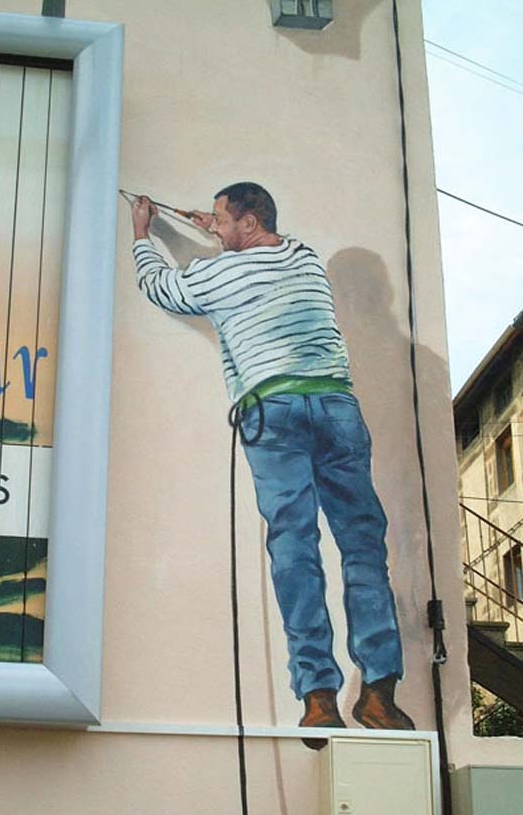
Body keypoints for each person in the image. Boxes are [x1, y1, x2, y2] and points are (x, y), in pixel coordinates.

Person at [130, 182, 414, 742]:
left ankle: (318, 698)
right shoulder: (304, 257)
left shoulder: (219, 275)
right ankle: (379, 693)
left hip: (273, 411)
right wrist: (213, 227)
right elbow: (245, 246)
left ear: (249, 222)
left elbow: (162, 288)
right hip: (336, 406)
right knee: (361, 545)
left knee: (294, 547)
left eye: (219, 218)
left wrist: (143, 233)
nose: (212, 226)